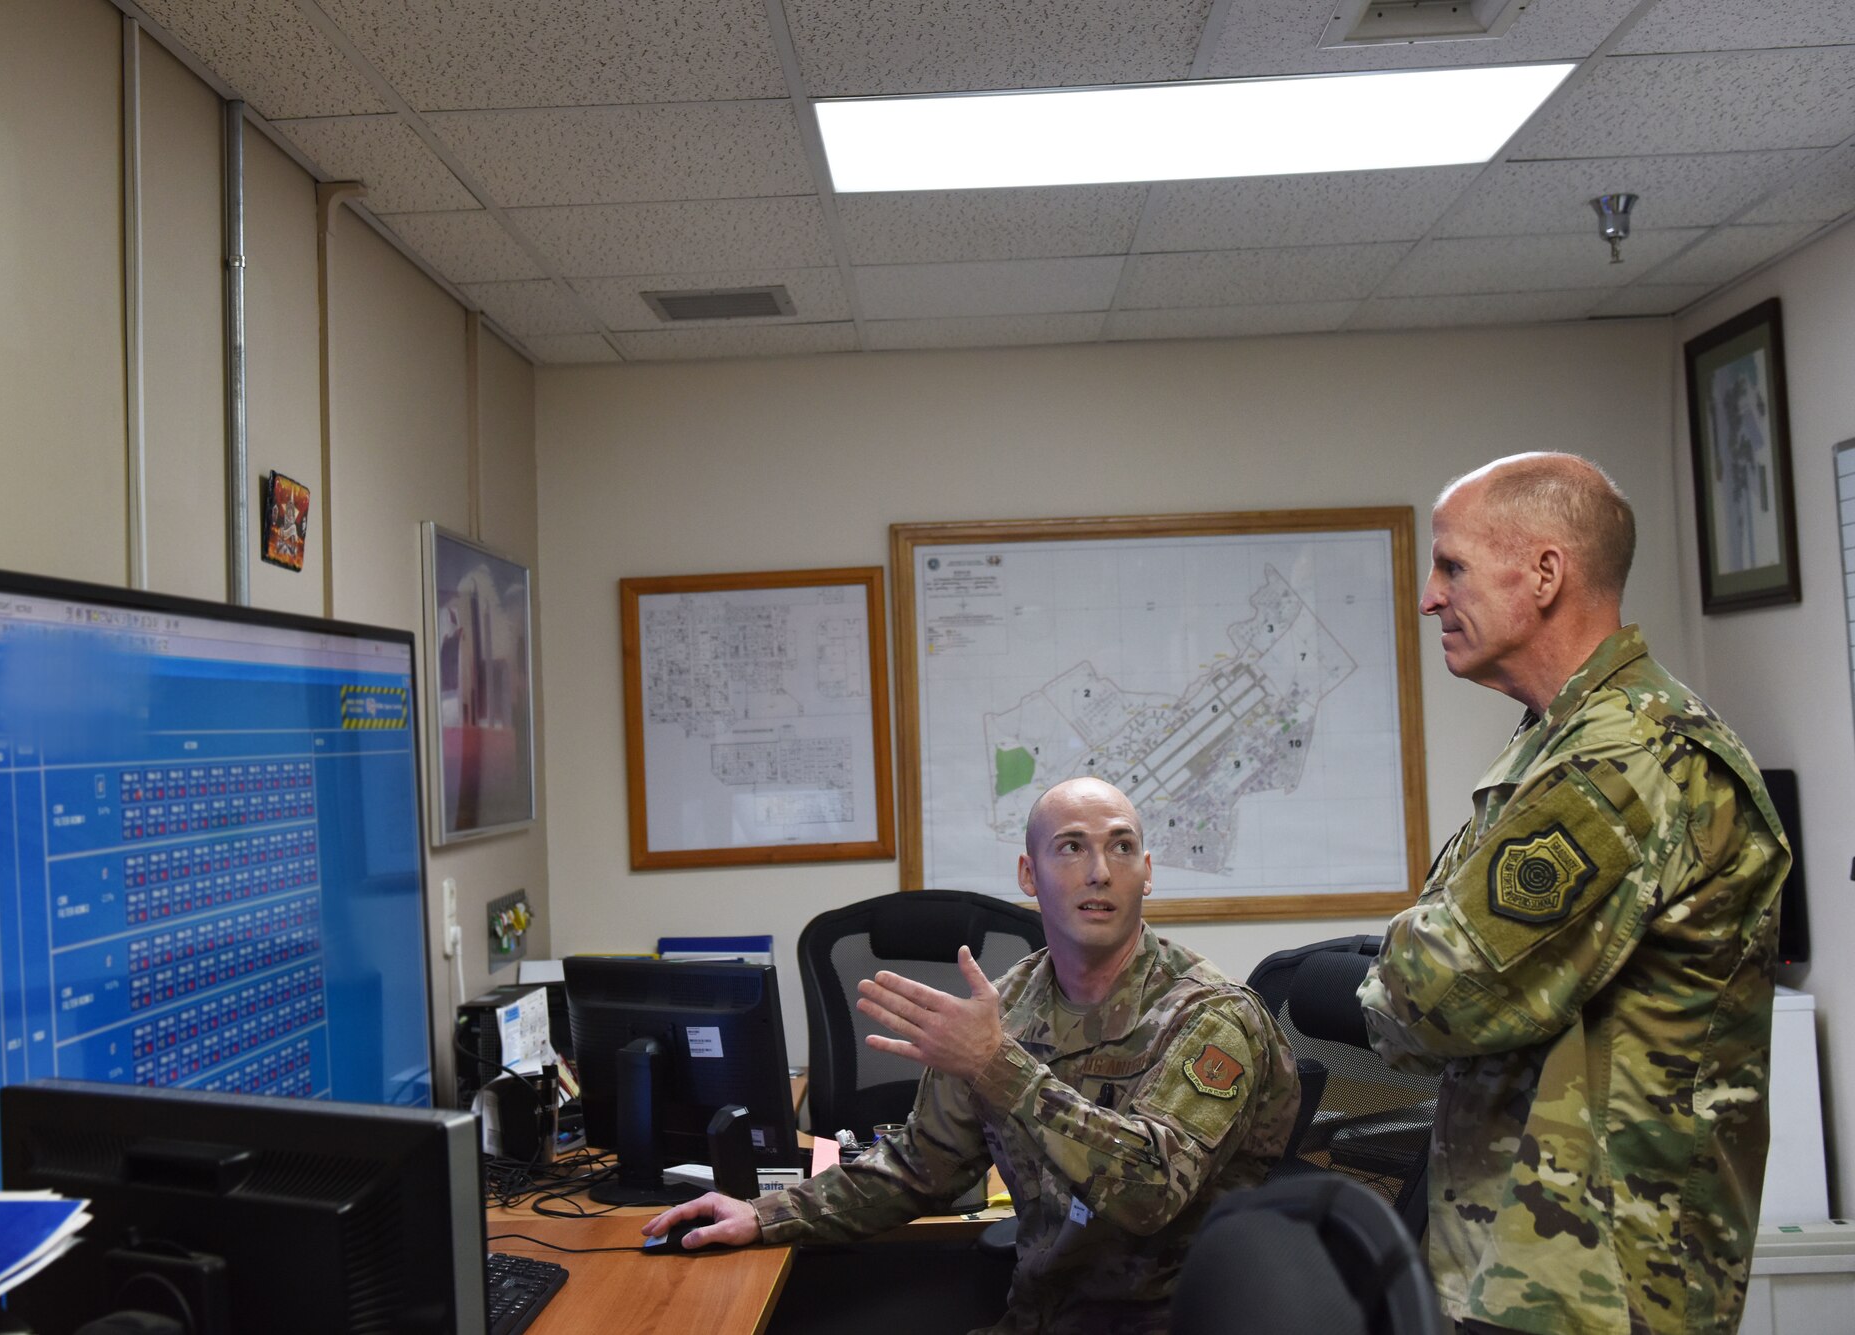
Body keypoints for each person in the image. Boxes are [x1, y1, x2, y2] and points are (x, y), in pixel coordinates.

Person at [1358, 453, 1790, 1335]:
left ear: (1546, 573)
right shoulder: (1561, 743)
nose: (1429, 597)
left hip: (1601, 1282)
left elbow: (1441, 990)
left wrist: (1369, 974)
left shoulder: (1626, 757)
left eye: (1452, 566)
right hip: (1529, 1264)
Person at [645, 776, 1299, 1334]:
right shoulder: (1009, 1005)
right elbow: (918, 1169)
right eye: (1072, 846)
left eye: (1121, 846)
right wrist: (762, 1214)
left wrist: (998, 1066)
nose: (1100, 869)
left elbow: (1150, 1194)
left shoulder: (1213, 1017)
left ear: (1146, 873)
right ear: (1028, 873)